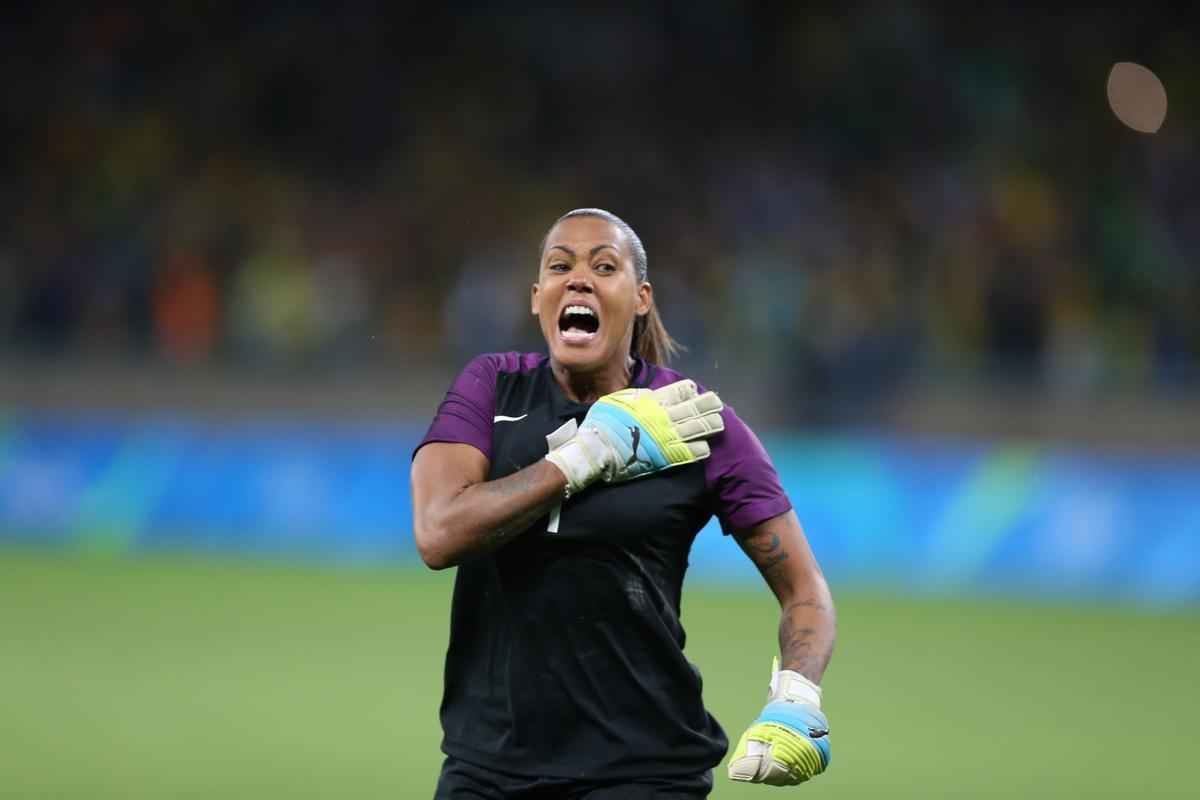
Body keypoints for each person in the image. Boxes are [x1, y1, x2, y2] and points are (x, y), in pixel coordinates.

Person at [411, 208, 836, 799]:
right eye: (560, 266)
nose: (578, 279)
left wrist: (796, 696)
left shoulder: (693, 421)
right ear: (538, 299)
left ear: (640, 298)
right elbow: (438, 534)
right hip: (486, 771)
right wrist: (586, 457)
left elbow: (805, 589)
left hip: (643, 773)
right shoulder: (493, 387)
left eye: (603, 266)